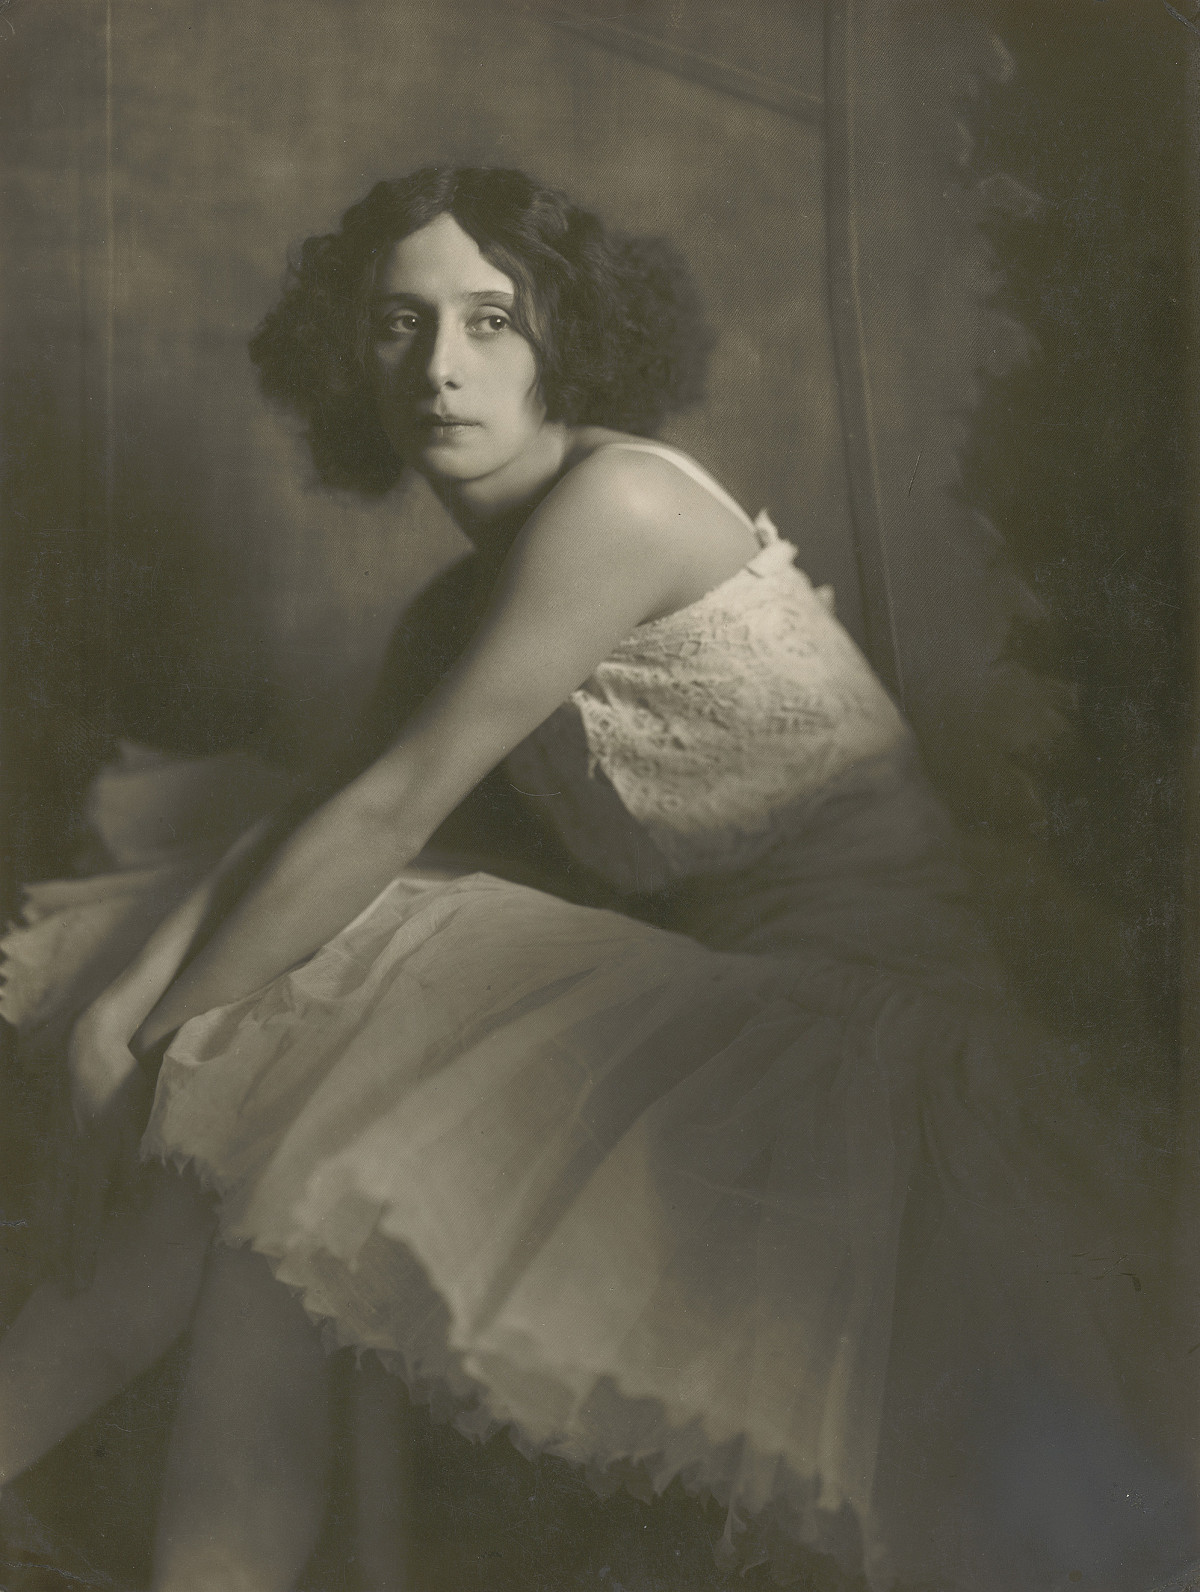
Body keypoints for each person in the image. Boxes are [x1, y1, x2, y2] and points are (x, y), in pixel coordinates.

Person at [0, 165, 1195, 1592]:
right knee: (262, 1177)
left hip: (868, 1043)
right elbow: (315, 822)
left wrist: (153, 1037)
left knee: (329, 995)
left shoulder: (619, 503)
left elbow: (386, 814)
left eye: (491, 319)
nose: (441, 369)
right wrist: (122, 1015)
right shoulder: (458, 605)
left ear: (563, 336)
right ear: (349, 355)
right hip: (738, 1010)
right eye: (398, 324)